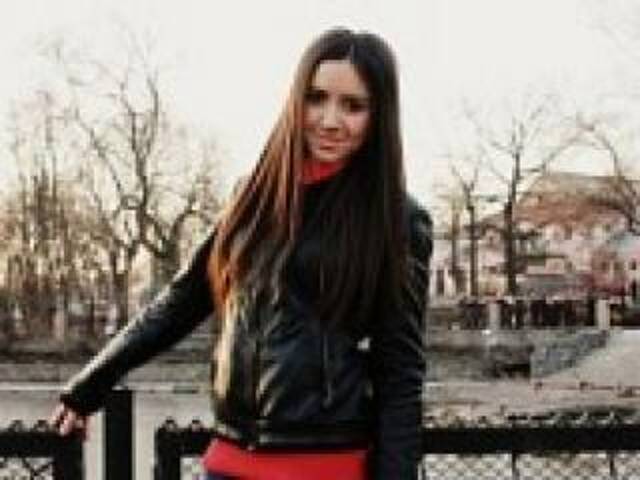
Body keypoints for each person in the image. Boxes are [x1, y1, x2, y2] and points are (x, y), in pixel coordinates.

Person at [49, 27, 433, 480]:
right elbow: (180, 301)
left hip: (327, 465)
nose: (330, 120)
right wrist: (87, 387)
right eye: (316, 98)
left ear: (378, 115)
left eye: (353, 106)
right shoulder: (251, 196)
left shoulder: (396, 219)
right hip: (229, 459)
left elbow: (400, 371)